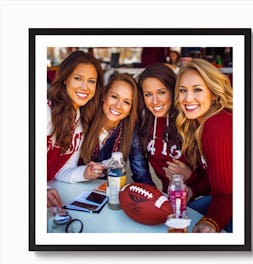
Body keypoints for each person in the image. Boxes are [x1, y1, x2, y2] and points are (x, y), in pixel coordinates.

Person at [55, 72, 154, 185]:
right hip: (68, 185)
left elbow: (141, 174)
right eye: (114, 96)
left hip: (106, 194)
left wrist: (156, 198)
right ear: (104, 96)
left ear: (130, 110)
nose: (118, 105)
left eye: (126, 102)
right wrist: (84, 172)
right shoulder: (83, 119)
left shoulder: (131, 132)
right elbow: (58, 167)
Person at [174, 58, 233, 233]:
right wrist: (194, 190)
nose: (187, 98)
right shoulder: (202, 124)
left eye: (197, 90)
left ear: (214, 93)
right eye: (182, 90)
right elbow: (219, 177)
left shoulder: (216, 125)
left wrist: (213, 222)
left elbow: (231, 192)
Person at [47, 50, 104, 207]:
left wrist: (85, 173)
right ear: (65, 79)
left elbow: (63, 170)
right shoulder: (45, 110)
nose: (85, 87)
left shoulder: (80, 123)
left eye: (91, 81)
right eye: (78, 78)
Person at [137, 63, 203, 193]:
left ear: (173, 91)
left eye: (161, 92)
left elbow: (215, 181)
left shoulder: (191, 121)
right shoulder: (145, 124)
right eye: (148, 94)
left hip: (200, 198)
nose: (155, 101)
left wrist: (190, 176)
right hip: (170, 198)